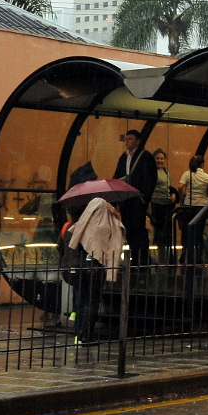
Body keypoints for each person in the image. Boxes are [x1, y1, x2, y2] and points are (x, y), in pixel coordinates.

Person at [64, 197, 125, 344]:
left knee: (81, 301)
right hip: (96, 267)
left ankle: (78, 334)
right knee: (92, 302)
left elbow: (73, 237)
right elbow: (120, 235)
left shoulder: (83, 223)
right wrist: (116, 214)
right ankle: (87, 335)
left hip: (80, 265)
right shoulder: (108, 225)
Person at [113, 129, 156, 267]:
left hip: (137, 198)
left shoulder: (145, 156)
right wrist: (118, 199)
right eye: (126, 139)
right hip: (126, 199)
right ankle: (135, 256)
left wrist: (144, 197)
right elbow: (117, 176)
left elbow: (151, 178)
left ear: (138, 141)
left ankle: (142, 258)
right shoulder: (124, 157)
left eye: (130, 139)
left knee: (139, 227)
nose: (127, 142)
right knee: (129, 228)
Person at [177, 155, 208, 263]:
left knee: (187, 232)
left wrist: (181, 198)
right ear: (202, 164)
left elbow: (180, 186)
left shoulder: (187, 174)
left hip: (189, 206)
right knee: (199, 232)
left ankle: (186, 255)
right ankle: (198, 258)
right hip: (202, 208)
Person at [149, 149, 176, 263]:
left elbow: (169, 186)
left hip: (167, 205)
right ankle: (157, 257)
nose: (159, 160)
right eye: (157, 158)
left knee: (166, 232)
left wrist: (173, 194)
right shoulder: (150, 172)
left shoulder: (166, 171)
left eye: (162, 158)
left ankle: (164, 257)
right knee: (158, 232)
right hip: (156, 204)